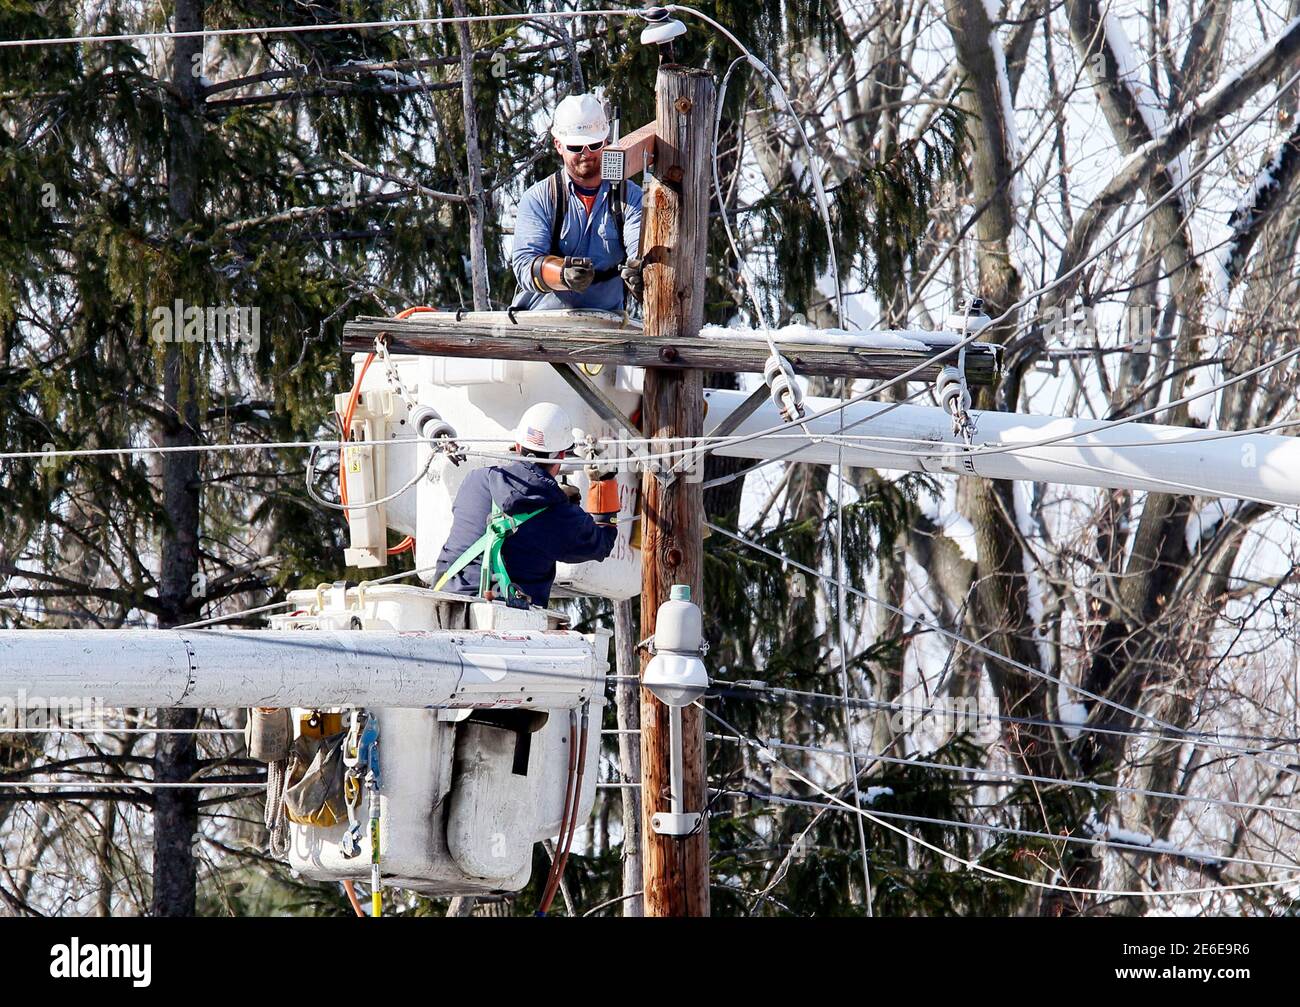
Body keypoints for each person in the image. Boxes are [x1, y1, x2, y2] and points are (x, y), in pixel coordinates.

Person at [433, 402, 618, 608]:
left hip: (446, 603)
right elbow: (603, 542)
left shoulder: (475, 481)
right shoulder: (558, 515)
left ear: (518, 446)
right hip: (504, 621)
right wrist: (605, 481)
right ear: (562, 454)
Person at [511, 93, 644, 311]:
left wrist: (641, 272)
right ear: (558, 145)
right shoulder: (540, 198)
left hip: (606, 326)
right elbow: (525, 265)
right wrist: (561, 273)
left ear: (606, 142)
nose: (586, 154)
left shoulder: (629, 198)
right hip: (542, 324)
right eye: (575, 147)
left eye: (594, 145)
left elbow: (640, 249)